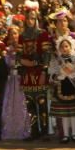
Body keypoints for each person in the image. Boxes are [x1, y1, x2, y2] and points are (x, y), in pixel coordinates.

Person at [18, 9, 51, 140]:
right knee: (29, 104)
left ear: (36, 19)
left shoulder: (42, 34)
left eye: (32, 18)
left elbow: (47, 54)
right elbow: (19, 54)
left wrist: (44, 70)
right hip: (27, 74)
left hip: (39, 72)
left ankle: (44, 132)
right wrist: (22, 61)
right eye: (28, 18)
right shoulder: (22, 35)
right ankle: (34, 131)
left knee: (42, 103)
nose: (30, 21)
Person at [49, 37, 75, 143]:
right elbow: (52, 73)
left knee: (74, 112)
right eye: (62, 46)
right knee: (64, 113)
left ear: (71, 47)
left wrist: (73, 73)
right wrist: (59, 75)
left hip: (74, 88)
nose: (64, 48)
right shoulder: (56, 60)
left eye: (66, 46)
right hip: (61, 88)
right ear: (59, 48)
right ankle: (66, 135)